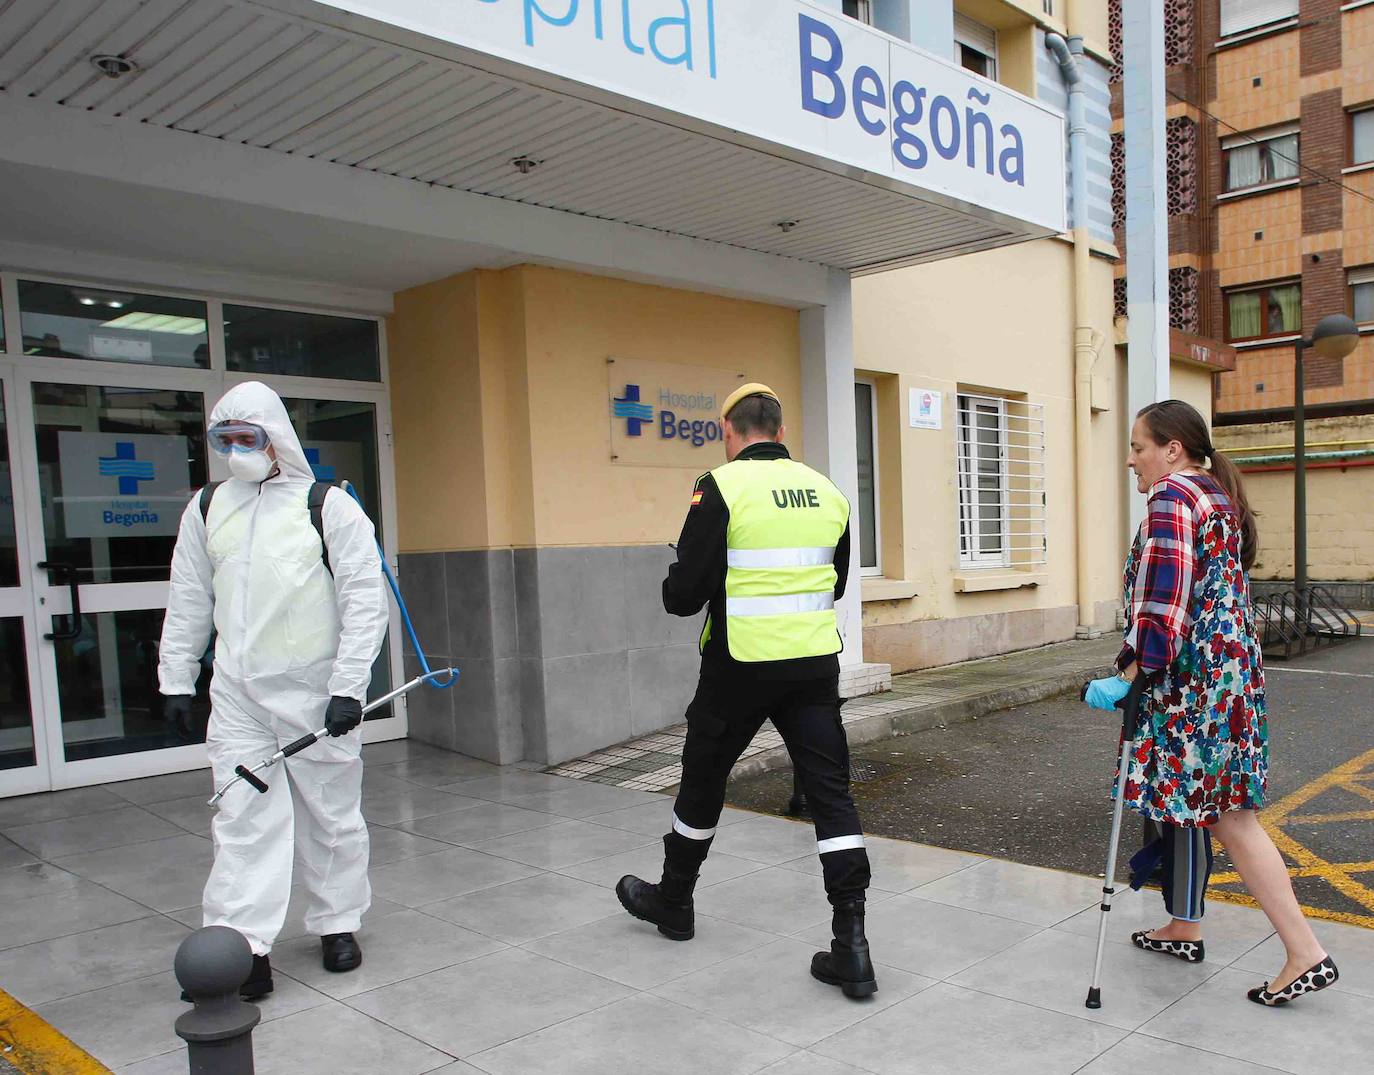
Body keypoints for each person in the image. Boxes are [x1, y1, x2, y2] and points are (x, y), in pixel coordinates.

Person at [615, 383, 877, 999]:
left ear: (729, 434)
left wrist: (675, 577)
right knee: (831, 796)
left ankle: (674, 901)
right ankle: (853, 945)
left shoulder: (720, 486)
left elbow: (685, 597)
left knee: (703, 778)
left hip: (739, 665)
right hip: (812, 664)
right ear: (781, 434)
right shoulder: (828, 492)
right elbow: (833, 583)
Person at [1083, 399, 1337, 1007]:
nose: (1130, 459)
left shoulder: (1171, 498)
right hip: (1229, 677)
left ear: (1172, 449)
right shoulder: (1218, 498)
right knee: (1194, 804)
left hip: (1196, 684)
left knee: (1226, 815)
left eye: (1139, 446)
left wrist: (1128, 671)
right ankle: (1185, 924)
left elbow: (1164, 608)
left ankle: (1305, 952)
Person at [159, 381, 389, 999]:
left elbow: (365, 600)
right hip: (237, 695)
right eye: (224, 440)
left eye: (247, 439)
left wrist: (348, 687)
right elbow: (187, 596)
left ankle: (337, 923)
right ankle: (242, 945)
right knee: (242, 818)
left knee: (330, 813)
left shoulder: (326, 505)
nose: (235, 451)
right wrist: (177, 679)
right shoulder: (207, 507)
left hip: (315, 693)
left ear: (275, 438)